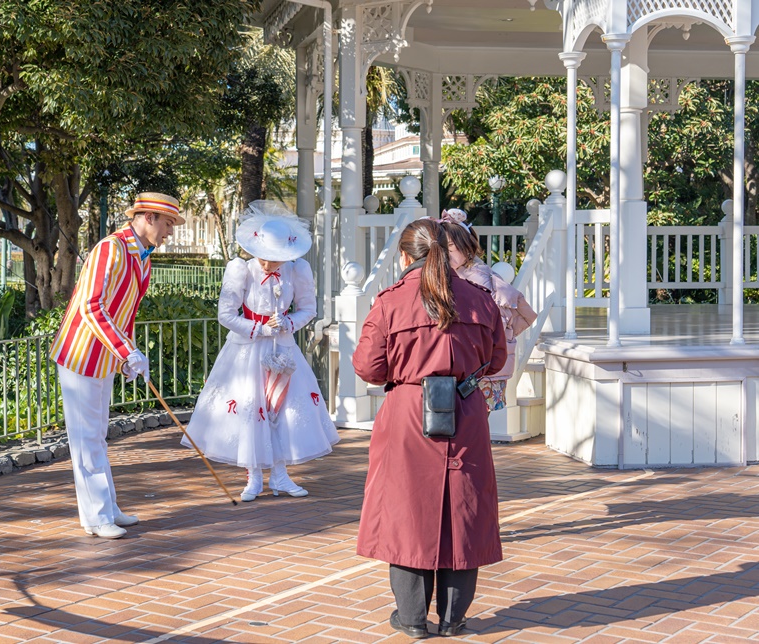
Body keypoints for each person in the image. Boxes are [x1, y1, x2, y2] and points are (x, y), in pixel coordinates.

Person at [352, 218, 507, 639]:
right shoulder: (480, 300)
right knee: (463, 512)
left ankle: (413, 620)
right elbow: (495, 360)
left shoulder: (390, 302)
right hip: (465, 410)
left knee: (407, 512)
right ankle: (454, 620)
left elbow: (368, 368)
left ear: (405, 256)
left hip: (408, 412)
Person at [182, 200, 339, 502]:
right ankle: (253, 477)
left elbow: (308, 308)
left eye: (277, 259)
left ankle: (280, 475)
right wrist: (259, 329)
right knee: (252, 409)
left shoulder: (297, 270)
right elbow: (226, 315)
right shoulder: (241, 270)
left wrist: (287, 323)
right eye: (266, 258)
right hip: (247, 350)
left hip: (283, 348)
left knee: (282, 409)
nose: (270, 264)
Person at [49, 192, 183, 539]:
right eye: (168, 223)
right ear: (148, 217)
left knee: (98, 436)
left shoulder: (144, 258)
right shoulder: (111, 248)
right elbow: (91, 306)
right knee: (86, 438)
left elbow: (126, 313)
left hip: (105, 357)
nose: (170, 232)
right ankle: (95, 517)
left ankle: (106, 506)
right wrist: (126, 351)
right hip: (81, 354)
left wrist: (129, 356)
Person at [437, 208, 537, 413]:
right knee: (472, 425)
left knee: (471, 423)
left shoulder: (476, 277)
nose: (445, 254)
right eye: (441, 249)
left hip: (482, 367)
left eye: (450, 248)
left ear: (467, 247)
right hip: (482, 365)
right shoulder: (468, 273)